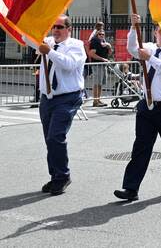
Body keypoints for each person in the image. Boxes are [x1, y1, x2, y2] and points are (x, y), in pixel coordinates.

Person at [114, 14, 161, 201]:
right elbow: (132, 48)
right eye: (159, 28)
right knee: (141, 147)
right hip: (147, 106)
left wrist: (151, 59)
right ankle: (131, 188)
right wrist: (133, 27)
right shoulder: (149, 47)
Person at [38, 15, 86, 196]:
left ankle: (63, 176)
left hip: (67, 97)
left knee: (55, 136)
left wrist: (49, 51)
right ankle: (55, 175)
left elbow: (69, 64)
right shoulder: (48, 41)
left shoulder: (76, 45)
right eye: (53, 27)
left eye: (60, 27)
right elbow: (26, 38)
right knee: (49, 139)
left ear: (69, 29)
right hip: (47, 98)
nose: (56, 31)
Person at [88, 30, 111, 107]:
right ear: (97, 35)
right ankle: (95, 101)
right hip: (97, 64)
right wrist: (102, 59)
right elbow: (91, 54)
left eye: (103, 34)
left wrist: (109, 46)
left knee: (100, 83)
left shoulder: (104, 42)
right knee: (96, 83)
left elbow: (109, 53)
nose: (101, 35)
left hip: (103, 65)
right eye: (100, 34)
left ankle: (98, 99)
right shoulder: (95, 41)